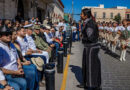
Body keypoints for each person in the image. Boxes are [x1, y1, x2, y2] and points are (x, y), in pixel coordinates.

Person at [77, 8, 101, 90]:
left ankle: (92, 85)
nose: (80, 15)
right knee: (85, 66)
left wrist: (83, 38)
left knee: (91, 67)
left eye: (81, 14)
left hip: (91, 48)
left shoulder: (90, 23)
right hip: (88, 47)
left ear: (86, 16)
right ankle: (85, 82)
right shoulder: (87, 22)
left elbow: (90, 38)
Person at [0, 26, 27, 90]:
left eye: (10, 34)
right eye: (6, 34)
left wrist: (20, 66)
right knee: (20, 84)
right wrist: (15, 72)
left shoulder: (11, 44)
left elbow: (17, 58)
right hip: (8, 73)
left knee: (32, 69)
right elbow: (1, 69)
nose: (9, 36)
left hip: (16, 69)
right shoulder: (1, 48)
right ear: (0, 36)